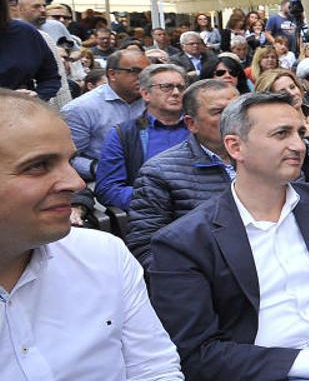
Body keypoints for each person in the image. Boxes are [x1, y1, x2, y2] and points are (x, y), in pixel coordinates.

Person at [148, 93, 309, 380]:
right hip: (262, 370)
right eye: (281, 134)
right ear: (236, 147)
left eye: (299, 132)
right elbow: (198, 353)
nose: (299, 145)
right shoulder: (184, 242)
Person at [0, 90, 184, 381]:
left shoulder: (103, 255)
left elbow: (154, 369)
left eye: (70, 161)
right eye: (37, 166)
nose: (76, 183)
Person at [125, 79, 239, 268]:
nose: (233, 119)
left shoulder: (266, 157)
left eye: (237, 111)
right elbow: (146, 249)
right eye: (219, 112)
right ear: (191, 123)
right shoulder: (159, 173)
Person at [94, 64, 190, 209]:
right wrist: (158, 198)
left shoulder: (200, 128)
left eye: (181, 87)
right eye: (166, 87)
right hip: (152, 215)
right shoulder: (124, 134)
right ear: (146, 94)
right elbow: (108, 189)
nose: (176, 92)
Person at [61, 49, 150, 180]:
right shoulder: (80, 108)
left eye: (148, 72)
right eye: (135, 71)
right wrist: (100, 169)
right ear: (112, 74)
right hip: (102, 181)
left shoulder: (155, 100)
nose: (144, 77)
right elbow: (67, 158)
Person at [0, 0, 60, 100]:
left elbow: (50, 78)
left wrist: (36, 97)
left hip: (21, 112)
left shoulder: (25, 32)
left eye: (12, 0)